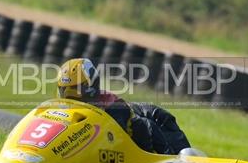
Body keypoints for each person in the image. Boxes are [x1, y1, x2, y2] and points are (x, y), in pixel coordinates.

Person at [57, 58, 191, 155]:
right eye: (65, 91)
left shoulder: (114, 108)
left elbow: (145, 128)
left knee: (154, 121)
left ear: (92, 85)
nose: (71, 97)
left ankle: (173, 159)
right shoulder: (61, 108)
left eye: (76, 90)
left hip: (146, 131)